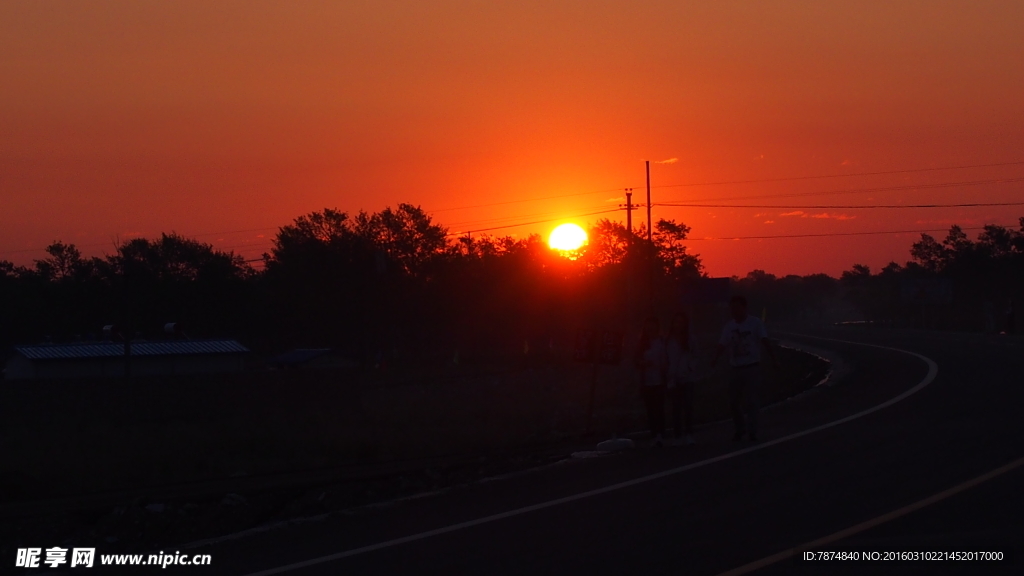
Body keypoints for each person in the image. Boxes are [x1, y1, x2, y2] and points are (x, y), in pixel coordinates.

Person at [712, 295, 780, 442]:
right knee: (733, 401)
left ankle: (752, 431)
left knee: (752, 401)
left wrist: (774, 359)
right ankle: (740, 428)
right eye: (732, 308)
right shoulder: (729, 326)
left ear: (744, 308)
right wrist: (714, 359)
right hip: (735, 368)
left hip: (752, 367)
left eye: (737, 308)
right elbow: (722, 344)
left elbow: (764, 340)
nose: (734, 311)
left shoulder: (755, 323)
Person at [634, 316, 668, 447]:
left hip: (660, 380)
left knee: (659, 408)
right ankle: (654, 435)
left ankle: (660, 435)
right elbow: (635, 361)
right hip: (647, 381)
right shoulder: (642, 343)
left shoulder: (662, 342)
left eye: (653, 325)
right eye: (648, 325)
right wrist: (643, 363)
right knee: (650, 409)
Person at [666, 312, 697, 445]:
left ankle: (689, 434)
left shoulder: (690, 339)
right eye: (676, 322)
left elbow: (695, 356)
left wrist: (689, 368)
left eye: (681, 322)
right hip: (673, 378)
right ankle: (677, 435)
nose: (678, 325)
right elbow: (666, 358)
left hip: (687, 377)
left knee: (688, 406)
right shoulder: (668, 340)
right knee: (676, 408)